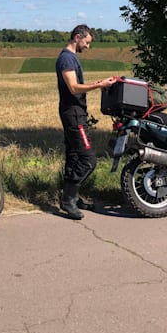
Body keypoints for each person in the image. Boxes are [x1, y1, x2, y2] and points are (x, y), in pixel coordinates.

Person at [55, 24, 117, 219]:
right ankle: (68, 200)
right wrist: (98, 85)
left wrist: (99, 83)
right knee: (88, 159)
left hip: (75, 112)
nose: (88, 47)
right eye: (87, 42)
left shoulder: (71, 58)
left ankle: (74, 197)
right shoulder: (66, 58)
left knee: (74, 157)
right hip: (73, 114)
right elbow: (73, 88)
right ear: (77, 37)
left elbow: (79, 85)